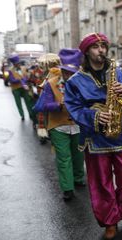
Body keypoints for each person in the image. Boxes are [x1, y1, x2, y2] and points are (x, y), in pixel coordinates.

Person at [64, 32, 122, 240]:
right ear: (87, 51)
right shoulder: (75, 81)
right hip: (95, 137)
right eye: (96, 47)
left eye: (104, 46)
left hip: (121, 134)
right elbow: (73, 108)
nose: (101, 51)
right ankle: (110, 220)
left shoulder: (118, 72)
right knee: (101, 182)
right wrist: (96, 115)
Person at [41, 48, 86, 201]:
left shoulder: (83, 82)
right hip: (58, 126)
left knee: (79, 155)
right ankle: (67, 188)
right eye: (65, 71)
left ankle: (79, 178)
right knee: (64, 158)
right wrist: (58, 105)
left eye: (71, 72)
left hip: (78, 125)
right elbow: (44, 105)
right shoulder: (51, 83)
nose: (68, 75)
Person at [7, 54, 36, 124]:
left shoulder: (23, 68)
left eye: (18, 63)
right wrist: (19, 79)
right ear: (14, 64)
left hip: (24, 88)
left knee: (28, 101)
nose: (18, 64)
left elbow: (26, 77)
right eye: (16, 63)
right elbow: (12, 80)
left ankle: (31, 114)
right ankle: (22, 115)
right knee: (18, 103)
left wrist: (26, 79)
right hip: (15, 89)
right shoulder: (10, 70)